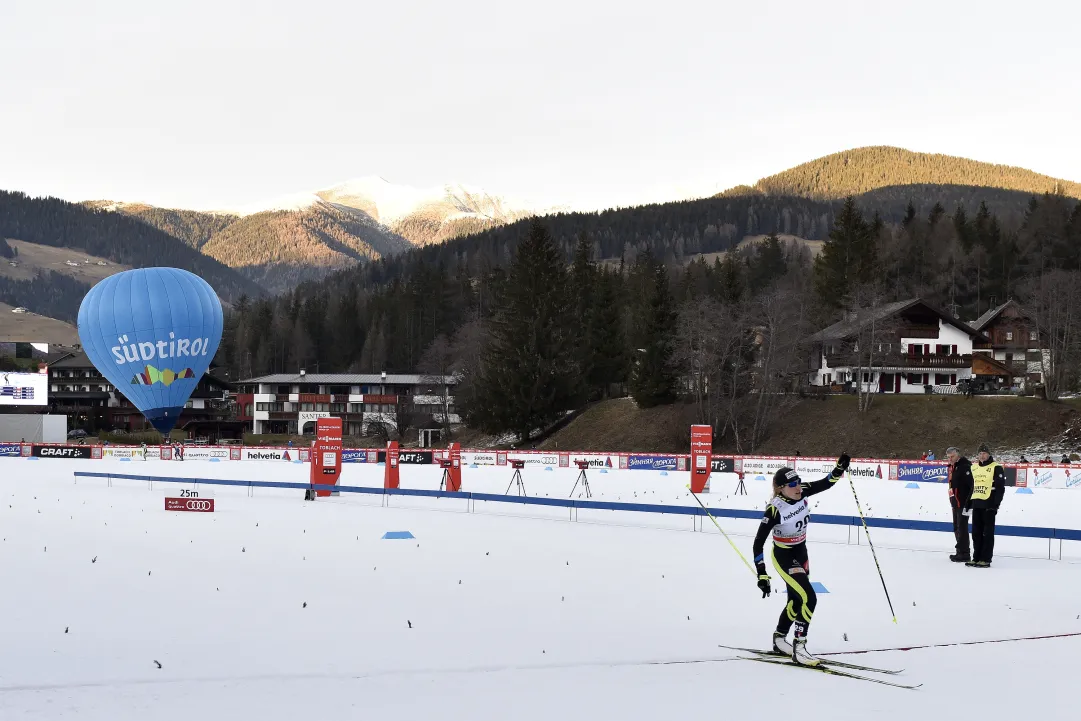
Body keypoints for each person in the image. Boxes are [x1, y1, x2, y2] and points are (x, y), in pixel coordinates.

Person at [751, 452, 851, 666]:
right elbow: (758, 543)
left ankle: (779, 639)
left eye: (798, 482)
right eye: (791, 485)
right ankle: (800, 646)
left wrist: (840, 468)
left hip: (801, 553)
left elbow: (827, 483)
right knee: (809, 597)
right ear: (780, 489)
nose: (798, 488)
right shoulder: (775, 509)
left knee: (796, 600)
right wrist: (762, 574)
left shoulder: (803, 491)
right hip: (784, 556)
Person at [966, 443, 1005, 568]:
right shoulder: (975, 468)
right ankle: (976, 557)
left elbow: (1000, 488)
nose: (982, 456)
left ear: (989, 454)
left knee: (987, 533)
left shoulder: (996, 467)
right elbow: (973, 486)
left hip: (989, 504)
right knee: (976, 533)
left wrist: (995, 505)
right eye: (980, 454)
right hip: (977, 503)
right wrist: (968, 502)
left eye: (984, 453)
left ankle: (986, 558)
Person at [945, 446, 973, 563]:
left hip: (964, 503)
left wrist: (969, 503)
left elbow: (972, 486)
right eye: (948, 457)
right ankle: (959, 551)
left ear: (958, 455)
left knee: (962, 528)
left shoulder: (965, 466)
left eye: (952, 456)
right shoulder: (952, 467)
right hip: (955, 502)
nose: (950, 459)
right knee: (956, 527)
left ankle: (965, 553)